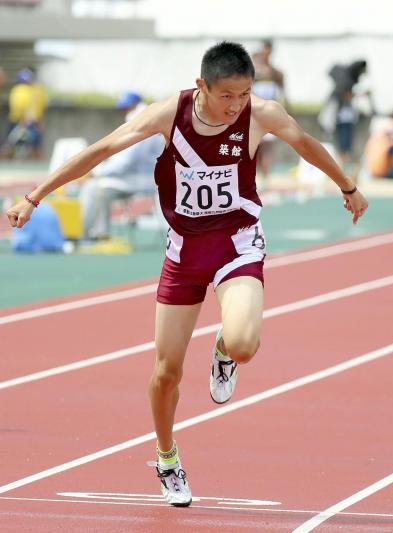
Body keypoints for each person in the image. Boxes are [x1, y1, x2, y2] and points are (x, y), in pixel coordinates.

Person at [6, 41, 368, 506]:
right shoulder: (166, 115)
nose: (237, 105)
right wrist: (34, 197)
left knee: (243, 343)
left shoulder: (262, 114)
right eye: (227, 96)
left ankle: (222, 349)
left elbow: (306, 144)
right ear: (202, 86)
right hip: (184, 253)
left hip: (238, 243)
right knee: (166, 373)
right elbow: (100, 151)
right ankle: (166, 456)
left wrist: (348, 186)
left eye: (244, 94)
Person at [79, 91, 165, 240]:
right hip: (145, 176)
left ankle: (87, 235)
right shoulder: (149, 118)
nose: (124, 112)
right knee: (99, 188)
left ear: (135, 106)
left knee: (93, 188)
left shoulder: (143, 121)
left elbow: (126, 161)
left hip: (144, 179)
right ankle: (100, 233)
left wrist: (97, 172)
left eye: (127, 108)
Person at [251, 39, 288, 179]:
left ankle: (265, 175)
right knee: (255, 144)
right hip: (254, 111)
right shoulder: (253, 70)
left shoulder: (275, 72)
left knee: (267, 145)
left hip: (268, 111)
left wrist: (285, 109)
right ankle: (253, 174)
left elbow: (283, 90)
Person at [1, 68, 48, 160]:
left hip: (28, 122)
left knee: (31, 145)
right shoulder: (22, 90)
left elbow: (40, 107)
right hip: (21, 122)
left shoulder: (33, 90)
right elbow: (20, 106)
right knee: (13, 144)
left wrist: (39, 121)